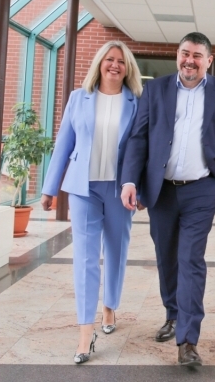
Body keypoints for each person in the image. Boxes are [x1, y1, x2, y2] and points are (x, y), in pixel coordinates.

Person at [120, 32, 215, 366]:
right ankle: (173, 313)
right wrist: (131, 180)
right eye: (185, 53)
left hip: (202, 188)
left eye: (197, 55)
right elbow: (139, 137)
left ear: (209, 61)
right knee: (166, 256)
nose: (190, 60)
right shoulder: (155, 90)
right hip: (162, 190)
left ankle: (188, 339)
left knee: (191, 259)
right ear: (177, 55)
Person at [40, 41, 142, 364]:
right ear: (100, 63)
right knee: (85, 258)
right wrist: (49, 187)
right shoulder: (78, 98)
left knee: (116, 249)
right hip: (83, 189)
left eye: (121, 62)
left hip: (118, 190)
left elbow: (141, 149)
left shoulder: (136, 101)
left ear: (128, 69)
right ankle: (86, 331)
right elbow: (63, 144)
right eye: (109, 60)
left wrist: (140, 189)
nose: (114, 65)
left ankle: (109, 305)